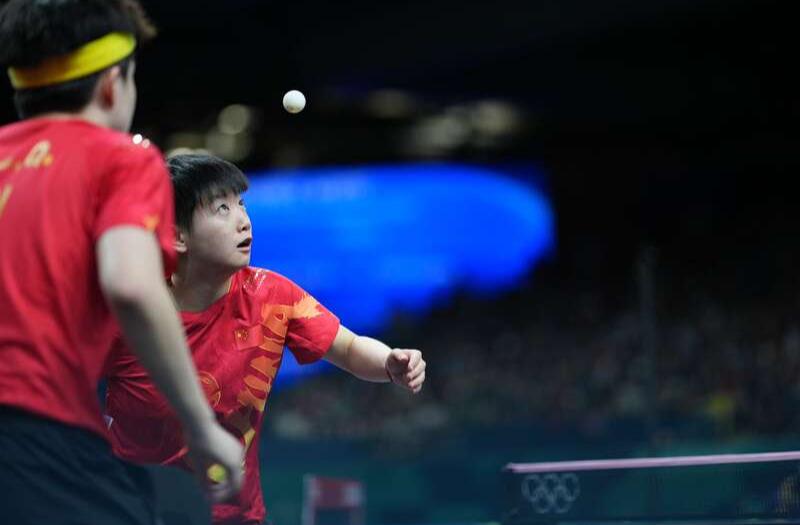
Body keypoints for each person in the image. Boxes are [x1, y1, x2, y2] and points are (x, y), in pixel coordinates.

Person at [0, 2, 243, 523]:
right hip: (37, 435)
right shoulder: (120, 158)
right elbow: (131, 285)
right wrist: (200, 426)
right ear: (114, 84)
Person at [105, 153, 427, 525]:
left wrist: (388, 362)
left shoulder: (271, 295)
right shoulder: (131, 310)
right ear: (177, 236)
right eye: (222, 209)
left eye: (241, 204)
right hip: (135, 512)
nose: (243, 221)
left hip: (236, 517)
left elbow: (350, 348)